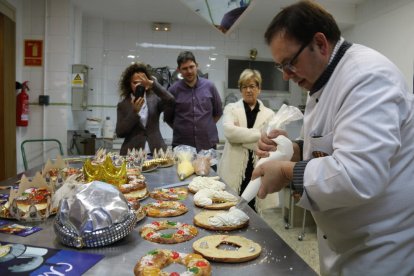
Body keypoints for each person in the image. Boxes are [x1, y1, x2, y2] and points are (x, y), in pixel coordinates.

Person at [252, 1, 414, 275]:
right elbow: (329, 145)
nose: (286, 76)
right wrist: (292, 149)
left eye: (289, 63)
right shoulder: (320, 80)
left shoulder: (367, 77)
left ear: (320, 43)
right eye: (281, 66)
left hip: (381, 246)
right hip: (343, 241)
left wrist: (287, 171)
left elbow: (359, 174)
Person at [218, 69, 273, 211]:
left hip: (256, 168)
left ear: (259, 89)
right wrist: (260, 135)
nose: (248, 90)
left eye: (252, 86)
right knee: (229, 207)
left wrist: (240, 138)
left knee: (253, 211)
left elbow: (270, 141)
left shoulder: (269, 115)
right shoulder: (231, 109)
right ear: (240, 89)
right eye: (245, 86)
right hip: (233, 169)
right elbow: (230, 133)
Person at [164, 51, 223, 153]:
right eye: (185, 68)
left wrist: (206, 126)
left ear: (197, 66)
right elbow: (168, 118)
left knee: (209, 170)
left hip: (207, 145)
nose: (189, 71)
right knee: (183, 170)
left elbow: (218, 112)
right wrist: (183, 130)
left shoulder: (210, 87)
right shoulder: (173, 91)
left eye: (191, 67)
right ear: (179, 70)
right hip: (182, 147)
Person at [115, 62, 174, 155]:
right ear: (129, 84)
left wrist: (153, 85)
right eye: (135, 82)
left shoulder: (155, 99)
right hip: (132, 154)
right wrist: (134, 112)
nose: (138, 85)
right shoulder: (123, 104)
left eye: (141, 82)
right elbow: (120, 133)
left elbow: (171, 101)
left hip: (157, 152)